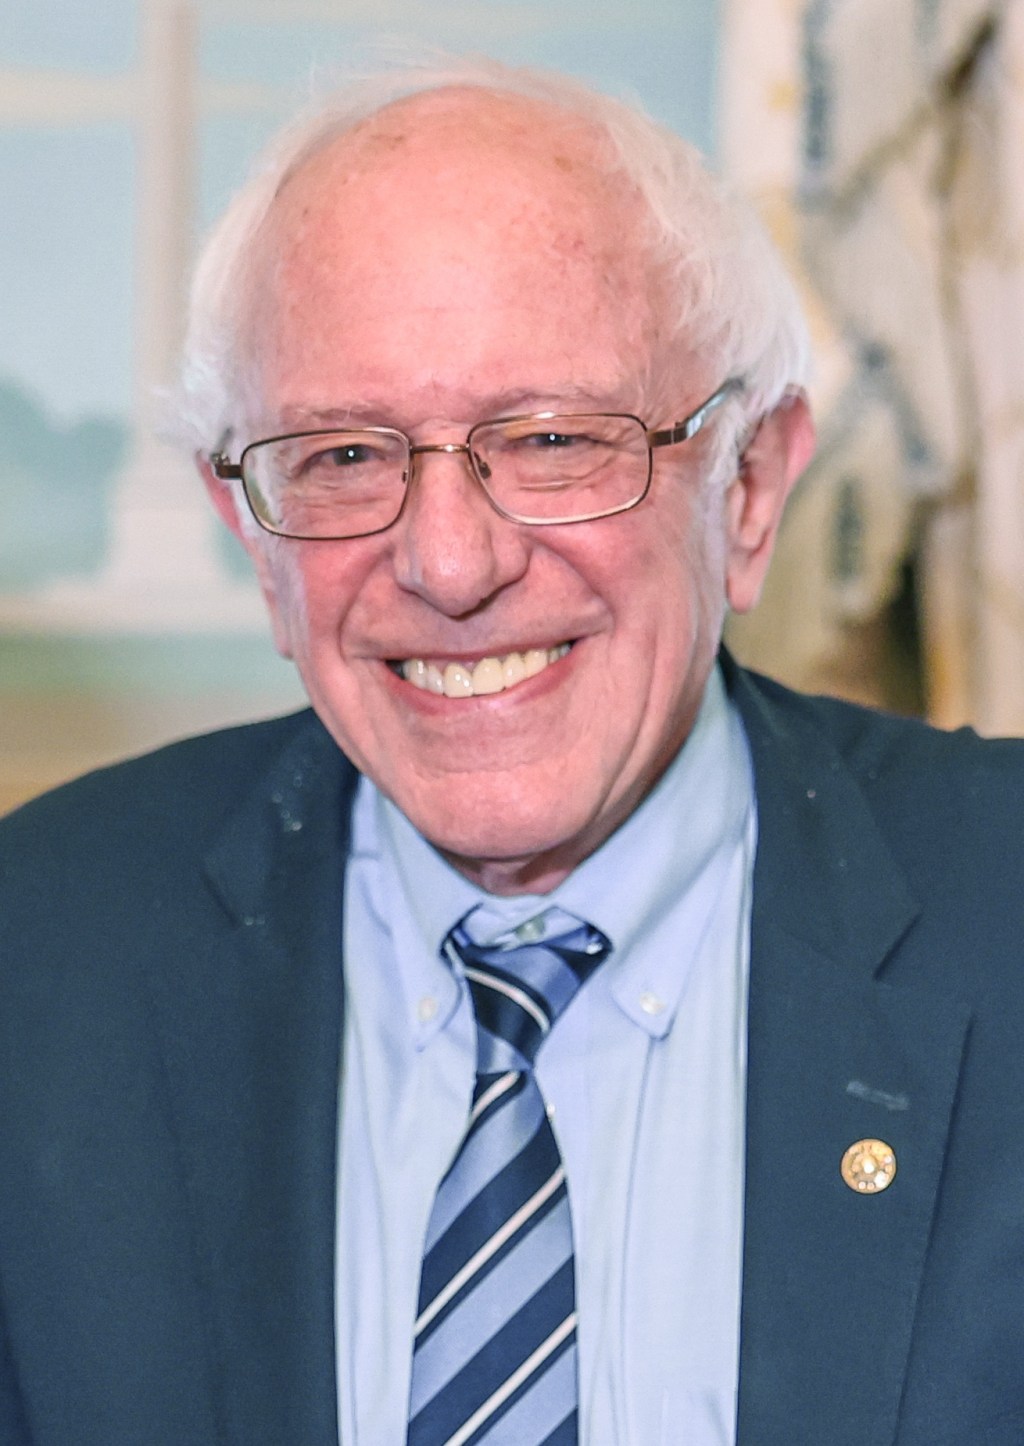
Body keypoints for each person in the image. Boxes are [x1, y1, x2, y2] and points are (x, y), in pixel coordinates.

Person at [1, 55, 1022, 1446]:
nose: (449, 563)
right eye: (344, 456)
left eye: (551, 439)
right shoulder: (37, 960)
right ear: (249, 529)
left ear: (749, 487)